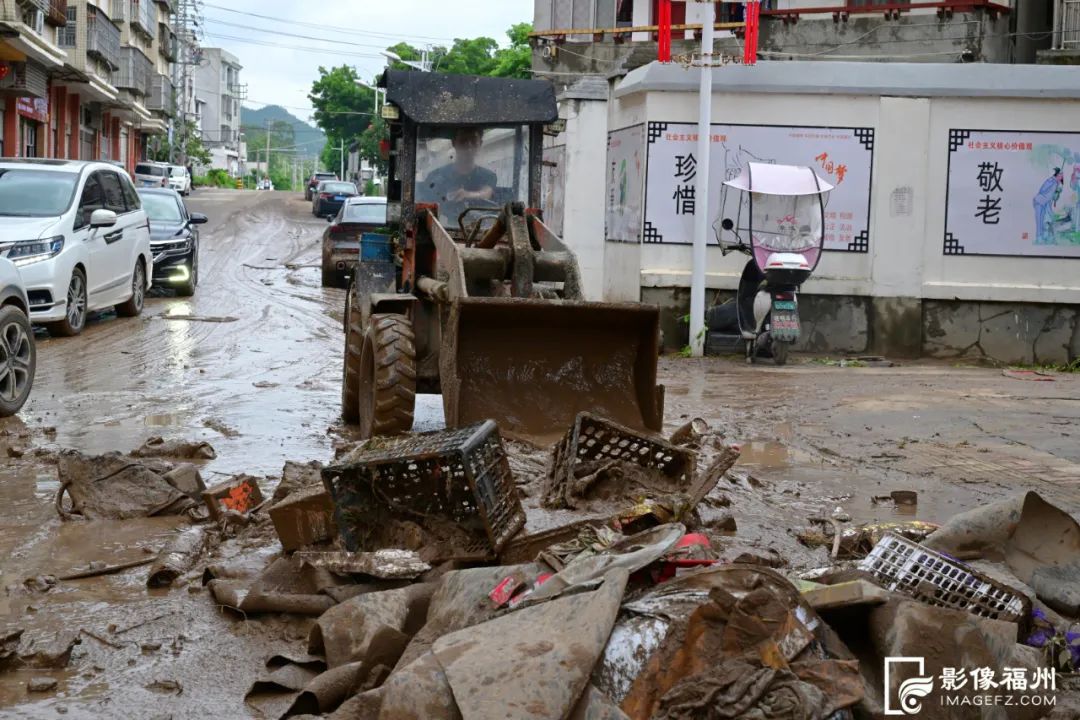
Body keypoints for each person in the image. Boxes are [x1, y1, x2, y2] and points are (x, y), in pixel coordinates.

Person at [419, 127, 497, 221]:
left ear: (480, 144)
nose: (468, 145)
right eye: (463, 140)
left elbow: (486, 193)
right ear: (454, 143)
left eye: (473, 140)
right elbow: (424, 208)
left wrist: (467, 194)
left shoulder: (488, 176)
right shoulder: (435, 177)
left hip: (477, 229)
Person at [1034, 168, 1063, 245]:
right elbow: (1042, 190)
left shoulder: (1056, 184)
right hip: (1039, 202)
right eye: (1061, 175)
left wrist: (1056, 194)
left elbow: (1051, 198)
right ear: (1057, 175)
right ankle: (1039, 238)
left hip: (1045, 203)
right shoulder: (1051, 181)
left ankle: (1042, 237)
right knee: (1039, 220)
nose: (1062, 177)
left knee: (1044, 220)